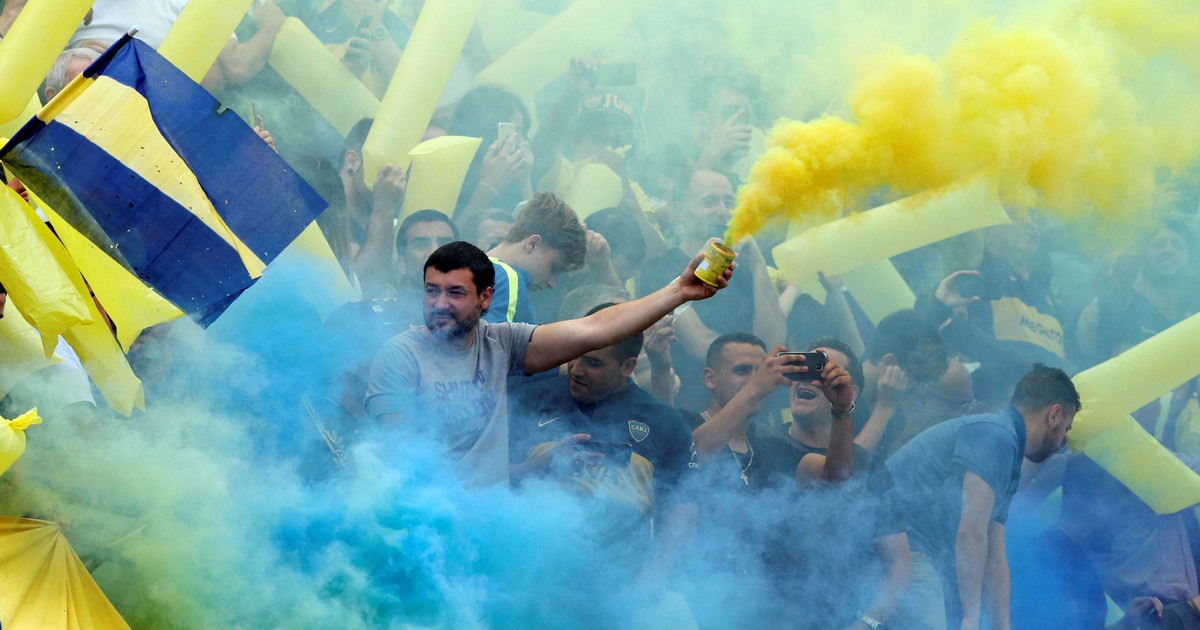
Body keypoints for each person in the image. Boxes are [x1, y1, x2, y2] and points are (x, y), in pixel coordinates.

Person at [364, 238, 734, 486]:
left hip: (488, 527)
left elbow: (593, 329)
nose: (440, 304)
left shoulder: (501, 342)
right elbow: (402, 465)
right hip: (429, 528)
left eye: (456, 293)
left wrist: (678, 291)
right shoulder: (401, 356)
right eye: (432, 291)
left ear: (485, 298)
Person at [508, 303, 695, 606]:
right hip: (528, 579)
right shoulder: (529, 399)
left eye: (593, 362)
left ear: (628, 367)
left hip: (617, 589)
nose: (576, 369)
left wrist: (655, 575)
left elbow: (683, 507)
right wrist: (538, 467)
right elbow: (477, 475)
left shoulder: (664, 422)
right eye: (576, 353)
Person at [886, 363, 1080, 630]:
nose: (1062, 442)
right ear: (1054, 415)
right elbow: (971, 531)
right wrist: (971, 617)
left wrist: (1002, 627)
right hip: (895, 547)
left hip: (911, 550)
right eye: (1066, 429)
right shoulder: (995, 434)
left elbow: (995, 558)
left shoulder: (1008, 452)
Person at [636, 168, 784, 411]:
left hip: (754, 407)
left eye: (729, 202)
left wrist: (758, 263)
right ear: (680, 210)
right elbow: (699, 343)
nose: (723, 211)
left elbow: (774, 340)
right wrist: (758, 366)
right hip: (694, 406)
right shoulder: (661, 269)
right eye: (710, 202)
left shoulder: (746, 268)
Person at [484, 193, 588, 324]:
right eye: (554, 268)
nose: (553, 283)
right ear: (533, 244)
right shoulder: (510, 280)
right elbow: (486, 337)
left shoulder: (464, 263)